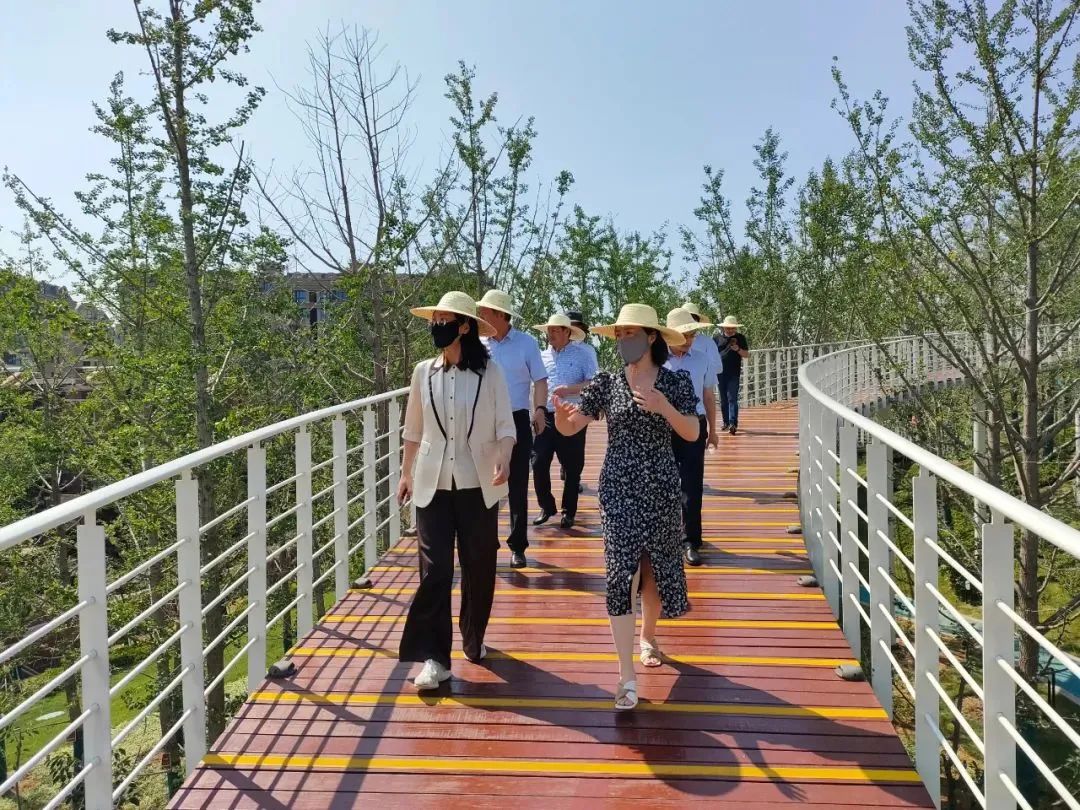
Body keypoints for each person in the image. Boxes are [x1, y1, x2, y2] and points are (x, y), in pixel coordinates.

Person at [554, 303, 699, 711]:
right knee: (621, 573)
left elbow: (692, 432)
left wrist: (663, 407)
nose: (622, 341)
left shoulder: (675, 382)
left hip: (661, 487)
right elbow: (573, 426)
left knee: (654, 570)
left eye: (629, 333)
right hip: (618, 487)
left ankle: (648, 636)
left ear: (651, 337)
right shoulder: (608, 382)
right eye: (618, 334)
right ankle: (626, 676)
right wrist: (563, 418)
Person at [397, 291, 516, 691]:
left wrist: (504, 458)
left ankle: (473, 635)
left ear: (463, 327)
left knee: (479, 567)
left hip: (478, 484)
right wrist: (405, 474)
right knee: (435, 571)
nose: (436, 327)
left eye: (443, 321)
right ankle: (435, 658)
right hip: (432, 483)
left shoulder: (491, 374)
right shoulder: (422, 373)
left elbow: (506, 426)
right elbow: (413, 430)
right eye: (434, 321)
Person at [478, 289, 549, 570]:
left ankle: (518, 546)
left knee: (517, 484)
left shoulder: (526, 343)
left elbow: (540, 380)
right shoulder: (477, 344)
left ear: (499, 315)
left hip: (517, 418)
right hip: (483, 421)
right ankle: (486, 543)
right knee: (485, 483)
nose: (481, 315)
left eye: (485, 311)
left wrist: (539, 409)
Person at [664, 308, 718, 567]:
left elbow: (708, 396)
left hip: (694, 424)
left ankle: (691, 540)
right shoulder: (655, 360)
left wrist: (713, 431)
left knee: (692, 484)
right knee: (662, 483)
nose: (689, 339)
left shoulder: (701, 359)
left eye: (693, 334)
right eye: (684, 334)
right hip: (662, 427)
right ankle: (664, 536)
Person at [532, 313, 595, 529]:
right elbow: (536, 384)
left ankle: (568, 511)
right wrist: (536, 410)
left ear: (568, 332)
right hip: (547, 415)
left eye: (556, 330)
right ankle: (546, 506)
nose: (551, 334)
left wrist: (570, 389)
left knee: (572, 466)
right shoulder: (541, 356)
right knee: (538, 461)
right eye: (549, 330)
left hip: (572, 414)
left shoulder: (583, 354)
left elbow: (593, 383)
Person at [564, 310, 598, 494]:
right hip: (556, 407)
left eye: (576, 327)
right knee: (561, 446)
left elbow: (594, 379)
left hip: (580, 405)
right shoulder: (553, 350)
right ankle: (567, 471)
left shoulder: (588, 350)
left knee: (577, 447)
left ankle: (574, 478)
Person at [681, 300, 724, 434]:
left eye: (692, 318)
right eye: (685, 317)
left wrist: (700, 368)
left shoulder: (707, 343)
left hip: (697, 410)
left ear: (698, 321)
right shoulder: (665, 348)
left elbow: (719, 367)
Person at [716, 315, 749, 434]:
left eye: (732, 328)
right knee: (723, 399)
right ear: (723, 328)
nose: (730, 330)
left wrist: (738, 349)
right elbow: (712, 355)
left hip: (734, 373)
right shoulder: (716, 338)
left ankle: (733, 423)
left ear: (735, 328)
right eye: (728, 328)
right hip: (719, 373)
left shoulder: (740, 338)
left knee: (732, 398)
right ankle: (725, 422)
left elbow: (746, 354)